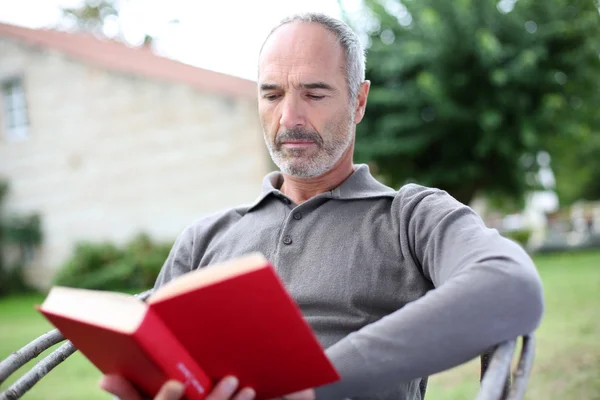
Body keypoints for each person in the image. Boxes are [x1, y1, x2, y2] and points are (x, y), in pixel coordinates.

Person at [100, 12, 544, 400]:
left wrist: (313, 385)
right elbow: (154, 361)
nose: (289, 118)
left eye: (314, 94)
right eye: (272, 95)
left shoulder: (410, 217)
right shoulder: (206, 237)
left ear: (359, 102)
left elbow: (511, 286)